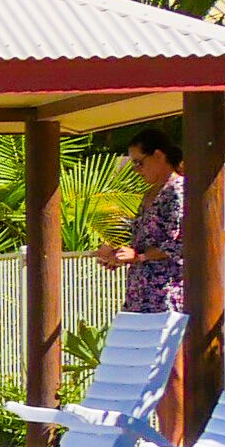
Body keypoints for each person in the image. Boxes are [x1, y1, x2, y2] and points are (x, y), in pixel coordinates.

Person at [98, 132, 188, 313]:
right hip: (140, 292)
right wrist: (118, 254)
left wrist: (139, 257)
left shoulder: (177, 190)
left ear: (158, 155)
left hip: (165, 293)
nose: (136, 170)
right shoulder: (152, 192)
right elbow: (142, 241)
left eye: (139, 162)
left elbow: (179, 244)